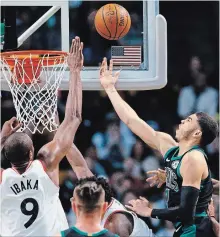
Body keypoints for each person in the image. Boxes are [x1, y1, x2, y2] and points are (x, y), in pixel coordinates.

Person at [99, 58, 218, 236]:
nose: (183, 120)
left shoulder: (194, 159)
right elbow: (133, 121)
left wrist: (150, 212)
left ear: (197, 134)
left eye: (190, 120)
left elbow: (186, 212)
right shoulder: (170, 145)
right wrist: (110, 88)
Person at [0, 37, 83, 236]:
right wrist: (75, 70)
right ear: (32, 153)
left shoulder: (3, 179)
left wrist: (3, 140)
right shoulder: (45, 166)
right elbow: (73, 118)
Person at [64, 144, 155, 237]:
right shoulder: (96, 194)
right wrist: (61, 137)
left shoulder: (116, 223)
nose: (72, 199)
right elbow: (79, 166)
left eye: (77, 198)